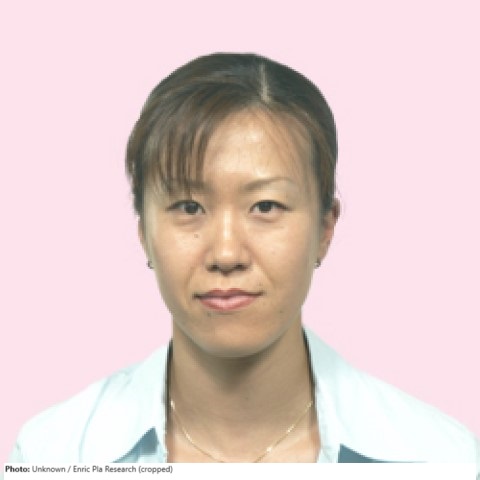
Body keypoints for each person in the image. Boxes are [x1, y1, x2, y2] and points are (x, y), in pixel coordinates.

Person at [8, 53, 480, 466]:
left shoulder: (436, 456)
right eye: (188, 207)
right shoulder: (55, 454)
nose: (226, 254)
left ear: (325, 228)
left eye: (266, 206)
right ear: (143, 233)